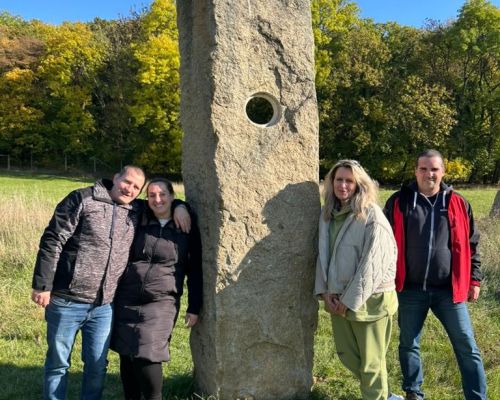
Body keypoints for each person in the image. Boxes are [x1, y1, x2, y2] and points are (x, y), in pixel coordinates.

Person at [31, 166, 191, 400]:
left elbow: (161, 203)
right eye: (127, 182)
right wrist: (43, 284)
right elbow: (53, 240)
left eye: (136, 187)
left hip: (104, 306)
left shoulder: (135, 208)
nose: (130, 189)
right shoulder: (82, 199)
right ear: (115, 178)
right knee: (58, 364)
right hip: (67, 299)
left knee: (97, 366)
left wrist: (181, 206)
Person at [384, 149, 487, 400]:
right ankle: (414, 392)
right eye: (423, 168)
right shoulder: (399, 201)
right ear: (415, 171)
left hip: (448, 290)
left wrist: (474, 279)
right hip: (410, 289)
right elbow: (383, 242)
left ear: (443, 172)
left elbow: (472, 244)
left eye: (434, 169)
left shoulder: (458, 202)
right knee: (409, 344)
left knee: (467, 345)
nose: (428, 174)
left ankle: (477, 396)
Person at [315, 160, 401, 400]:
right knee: (348, 356)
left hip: (370, 301)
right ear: (331, 182)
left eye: (349, 181)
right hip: (337, 298)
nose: (343, 185)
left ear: (359, 185)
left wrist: (349, 300)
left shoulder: (371, 215)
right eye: (338, 180)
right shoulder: (328, 214)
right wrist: (325, 292)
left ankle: (379, 396)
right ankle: (386, 395)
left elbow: (373, 263)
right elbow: (322, 255)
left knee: (371, 364)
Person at [110, 177, 202, 400]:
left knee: (147, 352)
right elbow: (120, 196)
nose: (157, 199)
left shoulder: (185, 226)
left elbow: (195, 269)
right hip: (127, 297)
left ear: (172, 196)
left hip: (162, 301)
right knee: (126, 353)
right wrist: (180, 204)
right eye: (152, 195)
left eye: (163, 194)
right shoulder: (140, 217)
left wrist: (194, 306)